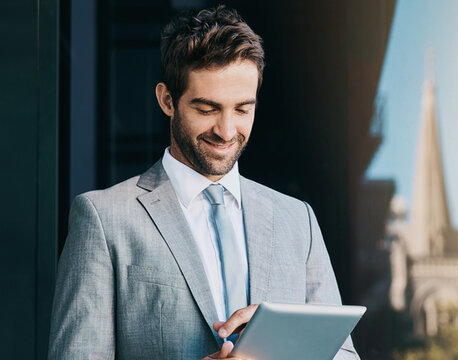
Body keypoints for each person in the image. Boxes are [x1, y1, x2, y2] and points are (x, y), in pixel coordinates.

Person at [48, 5, 359, 359]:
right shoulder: (104, 219)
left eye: (243, 109)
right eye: (207, 109)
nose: (227, 131)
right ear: (167, 100)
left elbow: (344, 354)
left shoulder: (297, 221)